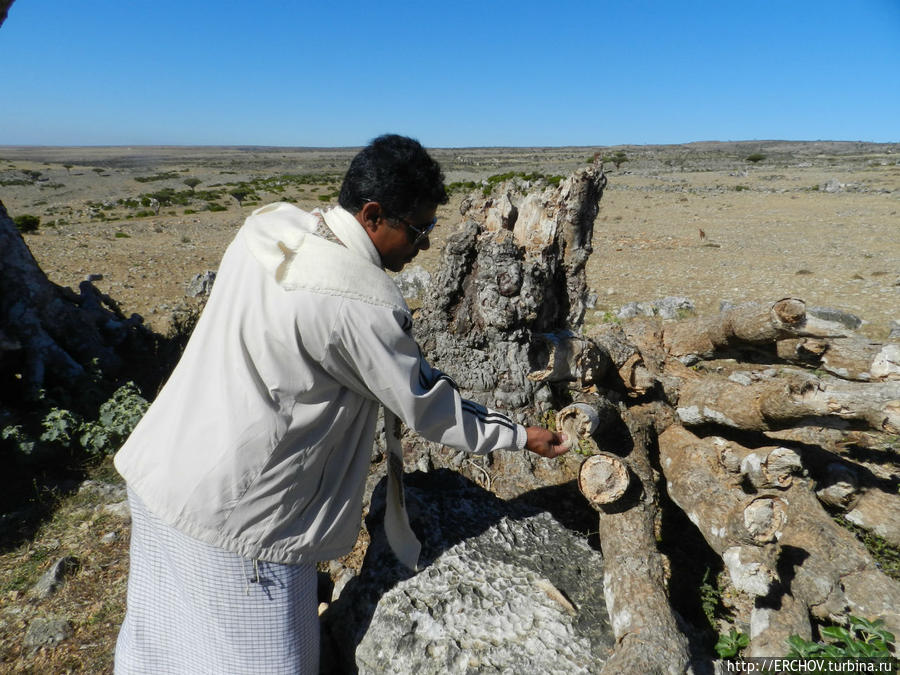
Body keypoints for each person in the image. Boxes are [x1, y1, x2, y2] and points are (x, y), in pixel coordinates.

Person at [112, 134, 569, 674]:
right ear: (373, 214)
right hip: (239, 524)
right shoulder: (362, 300)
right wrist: (522, 434)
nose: (423, 245)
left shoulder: (268, 225)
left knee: (158, 647)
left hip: (161, 470)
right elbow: (427, 405)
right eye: (419, 228)